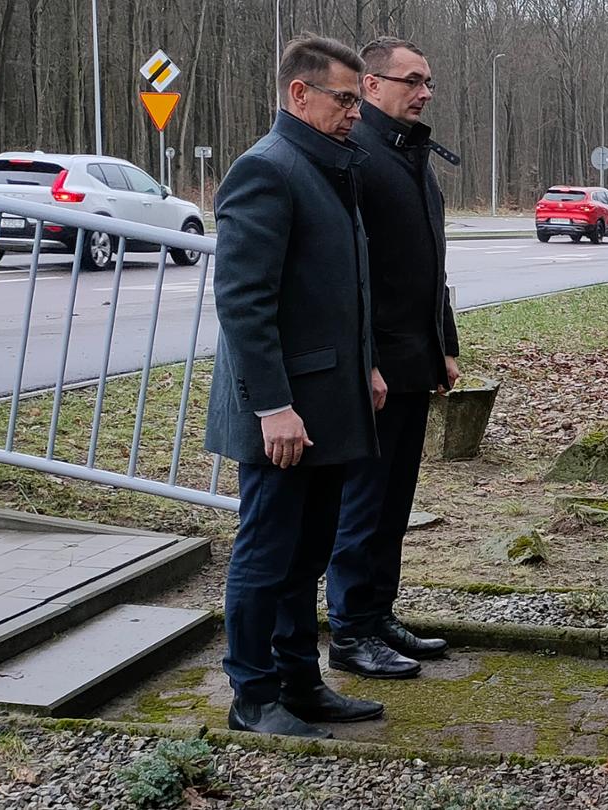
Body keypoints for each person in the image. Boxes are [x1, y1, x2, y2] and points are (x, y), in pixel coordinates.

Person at [207, 33, 390, 739]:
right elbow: (245, 302)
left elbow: (340, 288)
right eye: (346, 99)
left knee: (309, 551)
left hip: (327, 401)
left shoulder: (326, 166)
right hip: (282, 413)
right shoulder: (268, 169)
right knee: (267, 552)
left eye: (357, 99)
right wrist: (274, 407)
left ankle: (300, 681)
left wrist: (366, 365)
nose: (355, 112)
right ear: (299, 94)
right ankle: (253, 695)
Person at [321, 36, 462, 681]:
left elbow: (427, 263)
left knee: (396, 502)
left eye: (428, 80)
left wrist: (445, 346)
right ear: (372, 86)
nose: (424, 91)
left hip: (415, 360)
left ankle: (377, 614)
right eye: (411, 80)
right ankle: (349, 630)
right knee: (365, 502)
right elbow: (348, 275)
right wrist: (368, 362)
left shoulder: (412, 155)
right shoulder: (357, 155)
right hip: (374, 370)